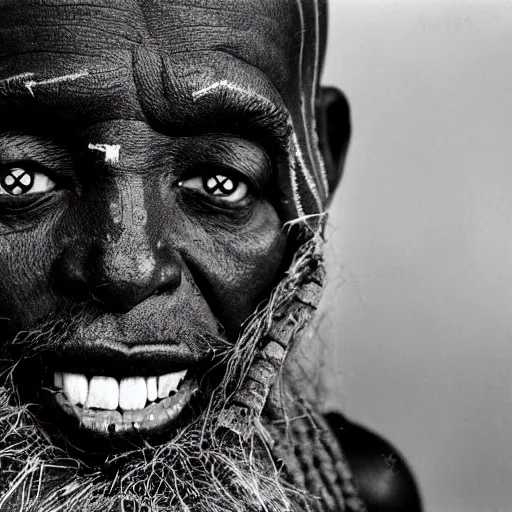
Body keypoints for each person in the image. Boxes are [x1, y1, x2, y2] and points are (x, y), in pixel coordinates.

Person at [0, 1, 422, 510]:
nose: (126, 268)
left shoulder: (349, 495)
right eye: (19, 179)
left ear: (320, 160)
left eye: (220, 182)